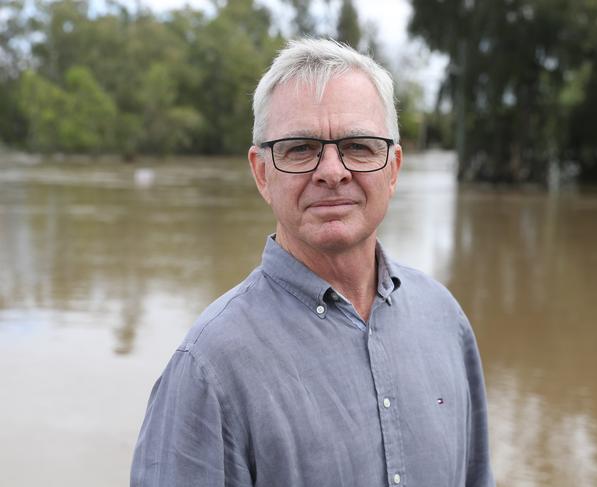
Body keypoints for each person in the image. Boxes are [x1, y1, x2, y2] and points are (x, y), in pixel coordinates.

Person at [131, 38, 494, 487]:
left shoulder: (444, 319)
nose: (332, 170)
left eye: (358, 146)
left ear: (394, 168)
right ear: (262, 173)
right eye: (300, 148)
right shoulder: (209, 369)